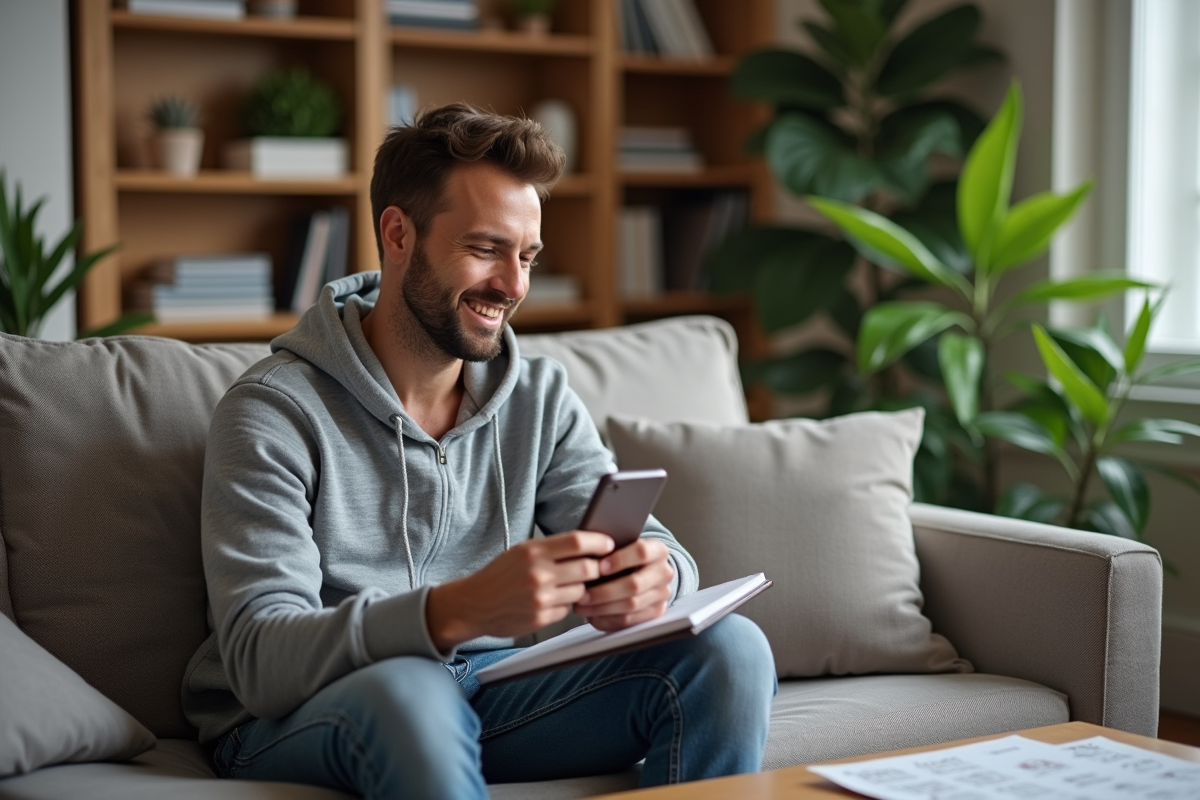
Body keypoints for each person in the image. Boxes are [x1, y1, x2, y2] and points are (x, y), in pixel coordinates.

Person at [183, 103, 775, 800]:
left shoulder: (538, 396)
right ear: (398, 234)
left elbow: (653, 543)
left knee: (732, 652)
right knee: (411, 694)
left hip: (488, 694)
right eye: (486, 249)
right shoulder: (273, 410)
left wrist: (660, 575)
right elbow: (259, 657)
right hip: (302, 712)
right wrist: (453, 612)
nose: (514, 286)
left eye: (526, 257)